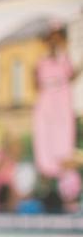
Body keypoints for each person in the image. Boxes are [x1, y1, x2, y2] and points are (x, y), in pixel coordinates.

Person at [33, 25, 82, 210]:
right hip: (46, 104)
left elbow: (71, 76)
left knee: (62, 142)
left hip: (61, 104)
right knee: (45, 142)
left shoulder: (64, 59)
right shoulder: (41, 61)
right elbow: (36, 83)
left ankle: (70, 196)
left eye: (57, 38)